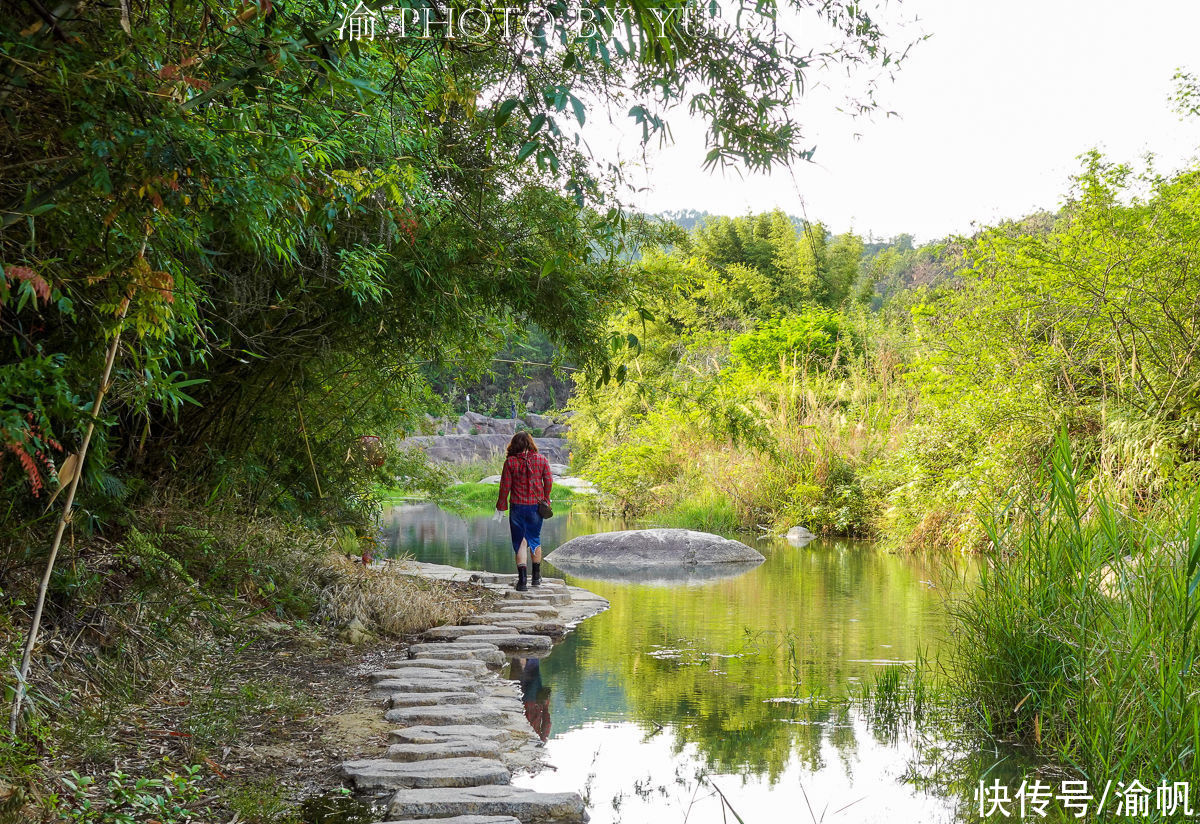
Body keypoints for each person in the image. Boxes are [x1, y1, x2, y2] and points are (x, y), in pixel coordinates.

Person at [496, 431, 552, 590]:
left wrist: (501, 506)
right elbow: (548, 480)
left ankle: (522, 582)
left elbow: (505, 486)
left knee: (520, 541)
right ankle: (536, 578)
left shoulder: (510, 462)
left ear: (514, 445)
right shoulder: (541, 460)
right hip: (536, 507)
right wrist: (546, 498)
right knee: (534, 538)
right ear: (530, 443)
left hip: (517, 507)